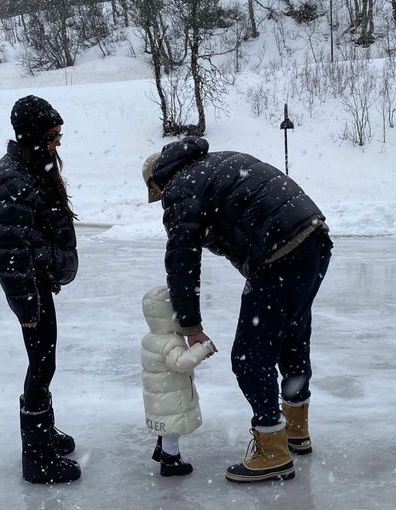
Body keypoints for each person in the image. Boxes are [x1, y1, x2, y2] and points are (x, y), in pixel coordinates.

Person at [142, 136, 333, 483]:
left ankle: (273, 450)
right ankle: (295, 431)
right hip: (314, 240)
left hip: (279, 253)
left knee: (249, 357)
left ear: (158, 181)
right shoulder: (215, 164)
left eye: (157, 195)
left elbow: (182, 262)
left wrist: (190, 326)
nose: (161, 203)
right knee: (291, 338)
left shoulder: (182, 187)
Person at [0, 95, 81, 484]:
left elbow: (34, 233)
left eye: (60, 135)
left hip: (38, 284)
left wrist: (51, 272)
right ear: (34, 136)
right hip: (29, 292)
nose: (58, 143)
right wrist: (28, 307)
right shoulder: (12, 179)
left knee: (45, 361)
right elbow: (7, 251)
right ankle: (37, 457)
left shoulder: (30, 169)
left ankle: (44, 435)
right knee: (42, 365)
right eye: (53, 135)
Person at [141, 286, 216, 476]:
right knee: (173, 428)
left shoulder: (150, 338)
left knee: (166, 424)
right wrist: (203, 349)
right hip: (172, 395)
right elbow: (181, 363)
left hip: (159, 394)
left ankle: (162, 449)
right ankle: (170, 460)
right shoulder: (171, 342)